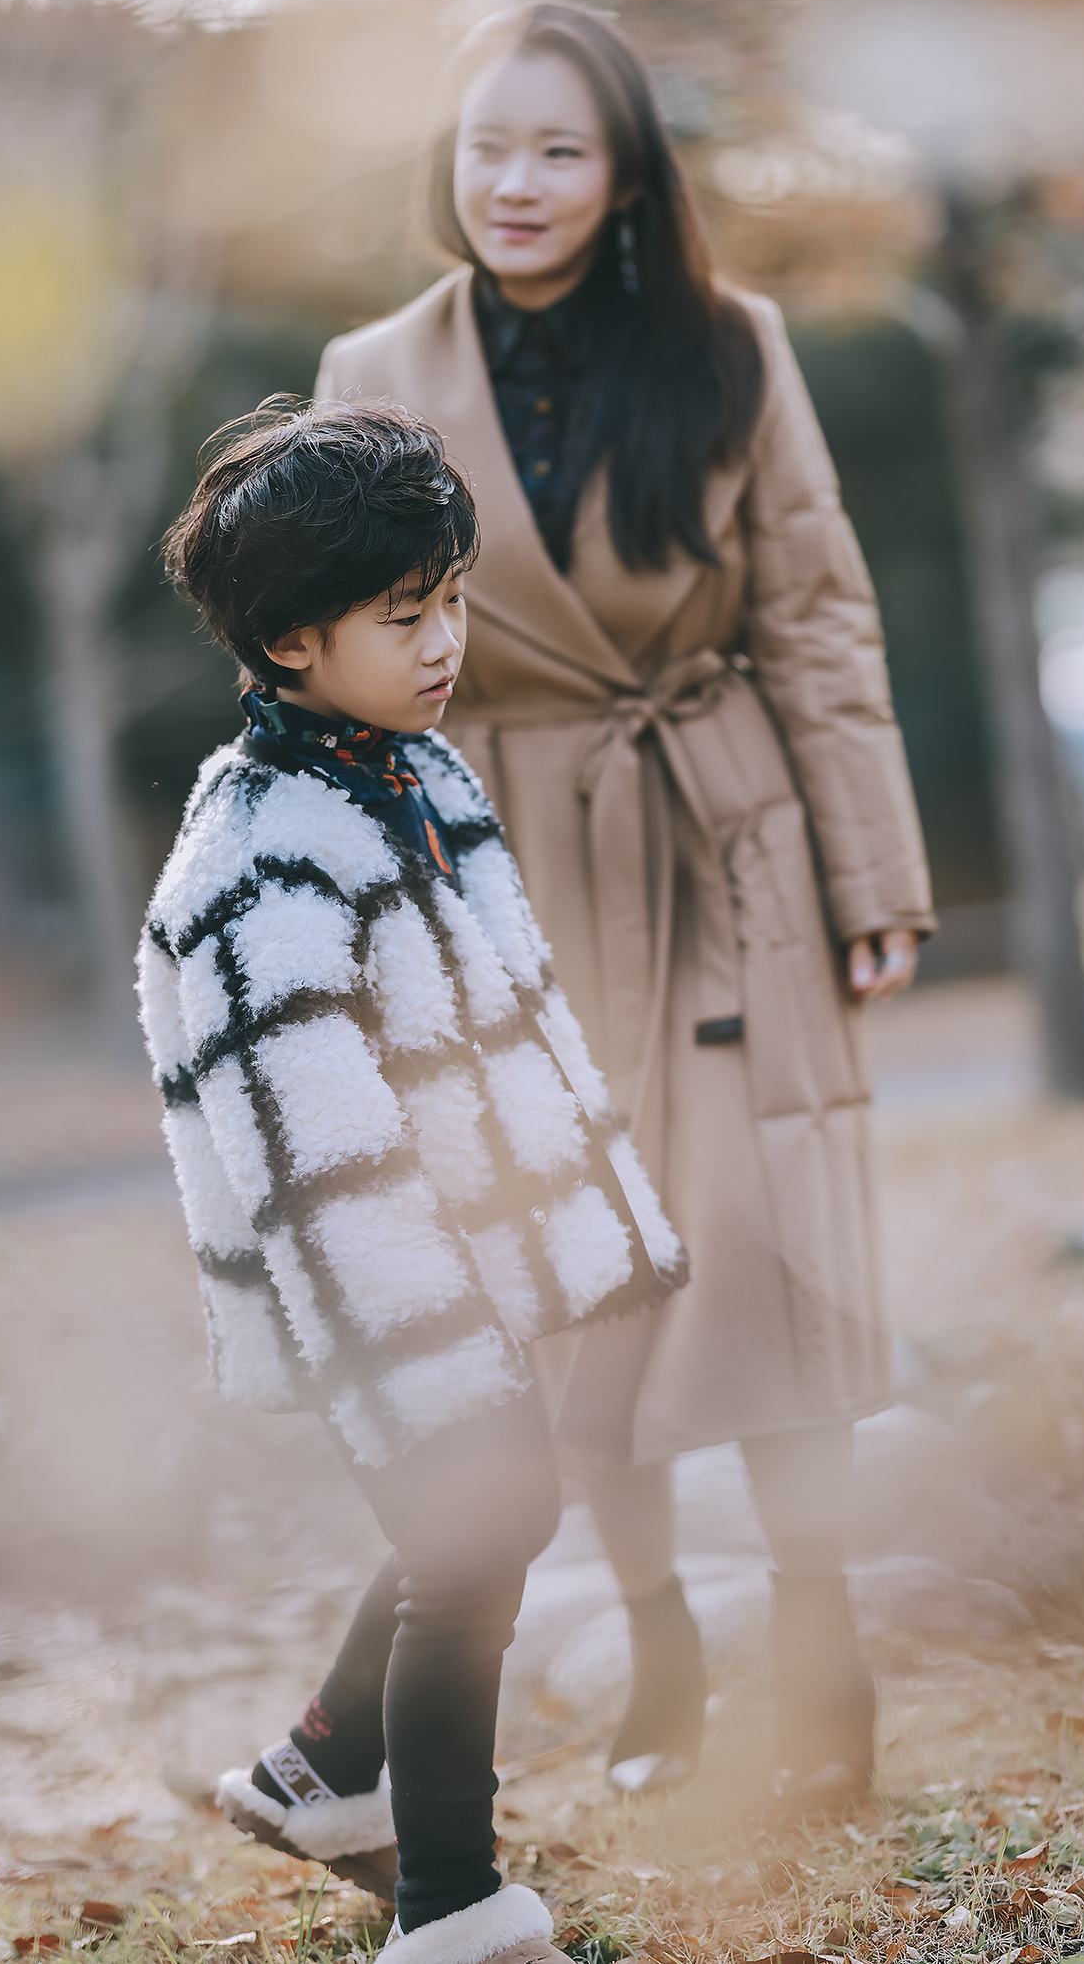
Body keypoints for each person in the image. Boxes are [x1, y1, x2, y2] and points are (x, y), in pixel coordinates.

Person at [313, 3, 936, 1817]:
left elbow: (816, 612)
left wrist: (873, 876)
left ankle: (819, 1639)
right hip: (499, 864)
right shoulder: (372, 367)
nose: (515, 181)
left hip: (726, 843)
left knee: (777, 1261)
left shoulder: (733, 349)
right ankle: (659, 1632)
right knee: (565, 1284)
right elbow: (337, 661)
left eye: (560, 149)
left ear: (626, 176)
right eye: (488, 145)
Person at [135, 400, 685, 1962]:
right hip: (374, 1275)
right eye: (403, 615)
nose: (446, 640)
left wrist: (568, 1216)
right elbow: (313, 1153)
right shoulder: (258, 860)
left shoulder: (414, 772)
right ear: (291, 642)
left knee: (487, 1520)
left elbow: (503, 1010)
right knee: (474, 1542)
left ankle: (318, 1769)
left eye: (451, 599)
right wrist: (428, 1328)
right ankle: (451, 1905)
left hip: (473, 1245)